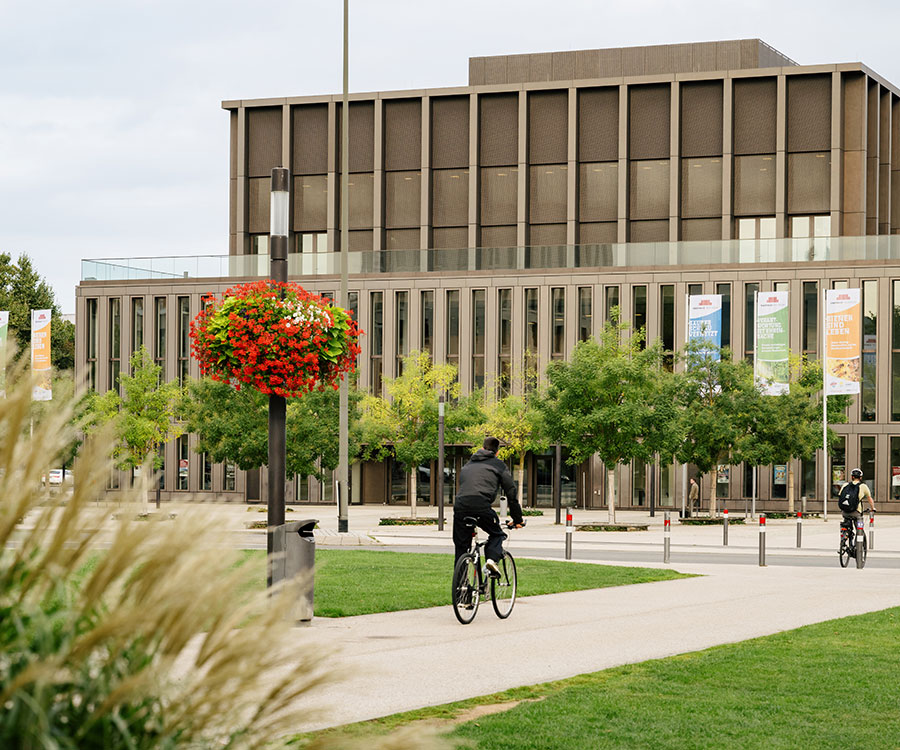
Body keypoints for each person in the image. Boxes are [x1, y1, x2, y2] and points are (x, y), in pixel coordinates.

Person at [453, 436, 524, 576]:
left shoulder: (468, 465)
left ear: (482, 448)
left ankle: (460, 591)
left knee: (461, 548)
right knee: (497, 534)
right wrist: (517, 519)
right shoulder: (499, 465)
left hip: (460, 506)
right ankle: (491, 561)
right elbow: (511, 492)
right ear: (497, 452)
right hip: (481, 506)